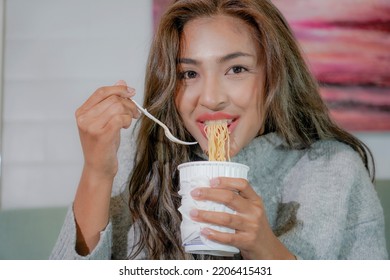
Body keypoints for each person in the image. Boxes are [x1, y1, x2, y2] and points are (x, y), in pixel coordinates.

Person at [50, 0, 388, 260]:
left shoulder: (335, 171)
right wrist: (96, 171)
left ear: (273, 76)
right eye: (189, 74)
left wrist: (265, 250)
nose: (210, 99)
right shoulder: (135, 158)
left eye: (236, 68)